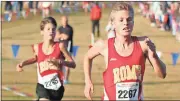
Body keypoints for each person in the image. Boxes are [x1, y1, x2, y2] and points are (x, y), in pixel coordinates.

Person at [83, 3, 166, 100]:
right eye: (121, 20)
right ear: (113, 24)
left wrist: (154, 55)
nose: (126, 23)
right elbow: (87, 57)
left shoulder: (143, 44)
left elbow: (162, 74)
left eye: (129, 19)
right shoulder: (104, 46)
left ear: (133, 22)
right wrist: (88, 81)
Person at [16, 17, 76, 101]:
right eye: (48, 29)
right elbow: (35, 58)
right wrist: (22, 64)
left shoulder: (60, 46)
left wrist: (60, 61)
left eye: (53, 29)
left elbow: (73, 64)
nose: (51, 31)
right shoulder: (37, 47)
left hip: (57, 88)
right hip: (42, 85)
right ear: (42, 32)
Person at [56, 16, 74, 84]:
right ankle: (60, 77)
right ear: (61, 21)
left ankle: (66, 79)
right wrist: (61, 35)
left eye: (66, 20)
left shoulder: (69, 29)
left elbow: (66, 37)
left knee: (67, 64)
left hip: (68, 48)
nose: (65, 22)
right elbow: (56, 37)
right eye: (64, 20)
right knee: (59, 63)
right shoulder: (59, 28)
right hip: (60, 48)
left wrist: (61, 35)